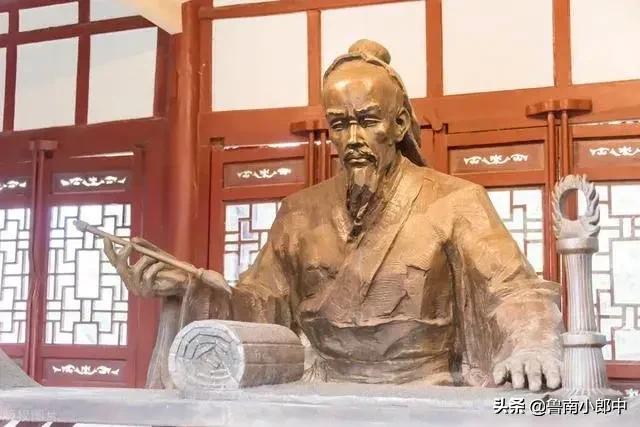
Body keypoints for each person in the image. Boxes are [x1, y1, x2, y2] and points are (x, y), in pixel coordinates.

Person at [105, 40, 563, 391]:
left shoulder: (456, 201)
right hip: (320, 391)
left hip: (425, 393)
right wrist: (190, 286)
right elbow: (261, 305)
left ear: (399, 124)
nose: (354, 138)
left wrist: (533, 342)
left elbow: (513, 289)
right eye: (340, 125)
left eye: (368, 120)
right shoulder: (300, 213)